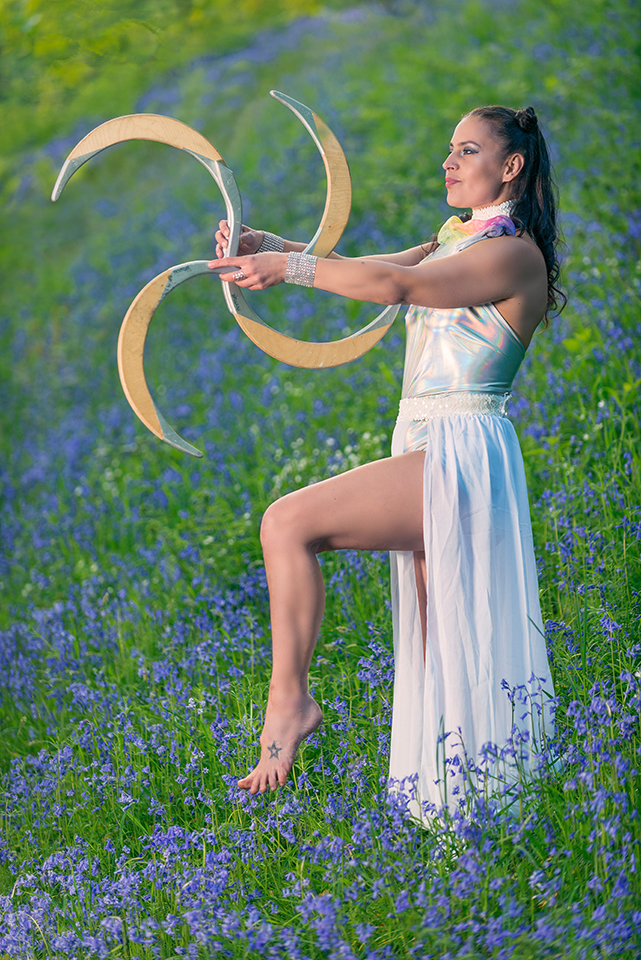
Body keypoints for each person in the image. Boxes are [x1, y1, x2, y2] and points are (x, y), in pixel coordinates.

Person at [210, 105, 563, 814]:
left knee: (287, 523)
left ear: (511, 167)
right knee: (441, 644)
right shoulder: (453, 239)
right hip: (427, 442)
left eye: (467, 150)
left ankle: (289, 703)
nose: (449, 162)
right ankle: (464, 819)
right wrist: (267, 245)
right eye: (449, 148)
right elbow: (380, 268)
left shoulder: (512, 254)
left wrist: (287, 268)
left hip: (463, 446)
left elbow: (397, 288)